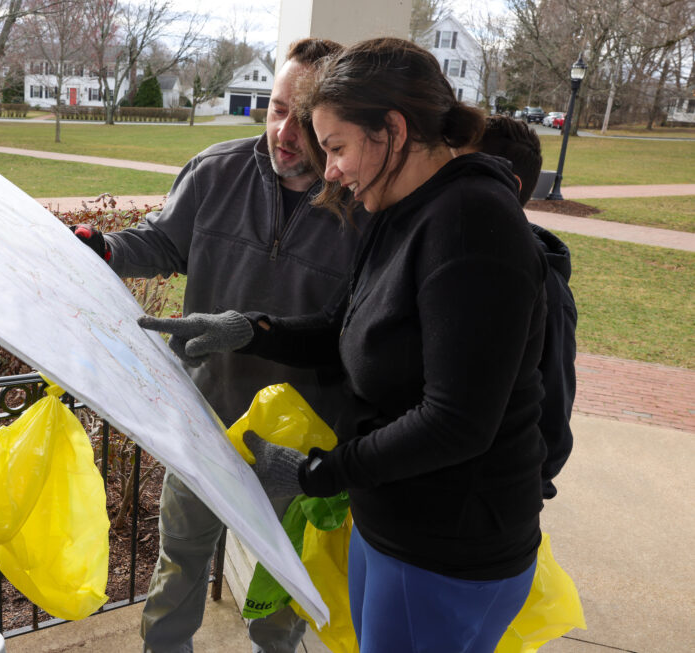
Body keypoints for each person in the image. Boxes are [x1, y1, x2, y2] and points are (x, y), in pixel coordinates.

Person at [139, 38, 548, 652]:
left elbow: (456, 422)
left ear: (392, 130)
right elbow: (342, 327)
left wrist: (316, 473)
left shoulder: (471, 225)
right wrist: (250, 328)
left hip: (448, 544)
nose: (328, 169)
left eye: (335, 147)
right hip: (390, 524)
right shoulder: (399, 206)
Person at [73, 39, 365, 653]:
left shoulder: (362, 206)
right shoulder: (217, 170)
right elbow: (161, 242)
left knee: (279, 588)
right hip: (203, 418)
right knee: (180, 561)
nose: (284, 131)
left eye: (303, 117)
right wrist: (104, 248)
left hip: (299, 438)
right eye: (275, 107)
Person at [471, 115, 578, 499]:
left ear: (507, 186)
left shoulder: (545, 290)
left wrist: (513, 496)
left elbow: (553, 412)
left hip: (486, 511)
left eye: (460, 172)